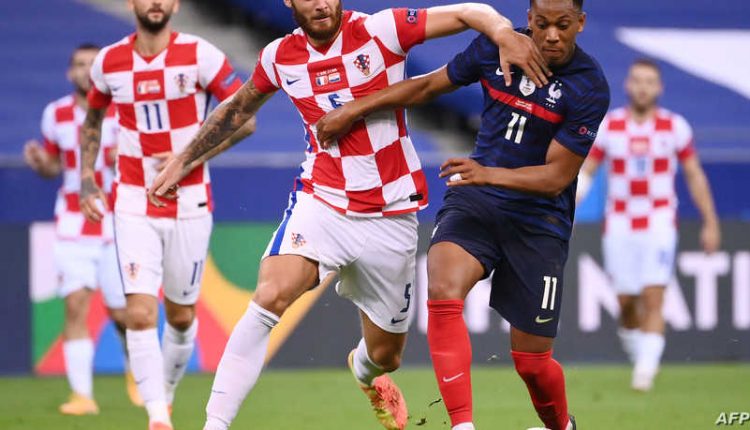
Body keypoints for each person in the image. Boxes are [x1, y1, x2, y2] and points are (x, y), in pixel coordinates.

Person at [149, 1, 550, 429]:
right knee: (269, 296)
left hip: (391, 214)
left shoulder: (382, 30)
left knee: (386, 355)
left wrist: (503, 33)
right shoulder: (279, 57)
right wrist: (184, 160)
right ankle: (215, 424)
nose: (321, 4)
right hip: (322, 202)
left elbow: (471, 12)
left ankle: (363, 371)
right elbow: (239, 108)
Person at [315, 0, 610, 428]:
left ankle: (563, 426)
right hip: (477, 200)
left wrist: (489, 173)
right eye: (542, 23)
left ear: (580, 24)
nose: (551, 35)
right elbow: (426, 87)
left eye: (562, 25)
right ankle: (462, 425)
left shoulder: (589, 85)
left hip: (539, 221)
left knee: (531, 364)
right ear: (529, 18)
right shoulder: (495, 47)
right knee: (443, 287)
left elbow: (556, 177)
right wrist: (354, 109)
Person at [78, 1, 254, 429]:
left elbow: (245, 120)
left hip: (190, 203)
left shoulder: (200, 54)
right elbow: (93, 120)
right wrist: (87, 178)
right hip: (133, 201)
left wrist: (188, 158)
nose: (155, 2)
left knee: (180, 316)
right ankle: (157, 417)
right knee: (139, 313)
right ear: (132, 4)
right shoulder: (109, 62)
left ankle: (166, 395)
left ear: (175, 5)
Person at [577, 58, 720, 392]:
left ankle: (645, 372)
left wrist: (710, 222)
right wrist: (568, 207)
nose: (643, 87)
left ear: (659, 88)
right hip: (619, 222)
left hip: (659, 220)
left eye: (649, 82)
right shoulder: (611, 126)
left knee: (654, 295)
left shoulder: (675, 127)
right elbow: (587, 171)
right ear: (628, 85)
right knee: (626, 302)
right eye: (637, 81)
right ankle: (638, 353)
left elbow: (694, 174)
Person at [24, 43, 143, 416]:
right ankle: (82, 396)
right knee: (75, 306)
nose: (85, 70)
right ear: (69, 72)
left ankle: (135, 371)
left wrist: (126, 156)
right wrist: (41, 163)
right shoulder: (55, 114)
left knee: (123, 313)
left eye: (92, 64)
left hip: (116, 222)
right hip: (73, 223)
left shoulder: (122, 111)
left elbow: (143, 161)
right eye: (79, 64)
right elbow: (53, 167)